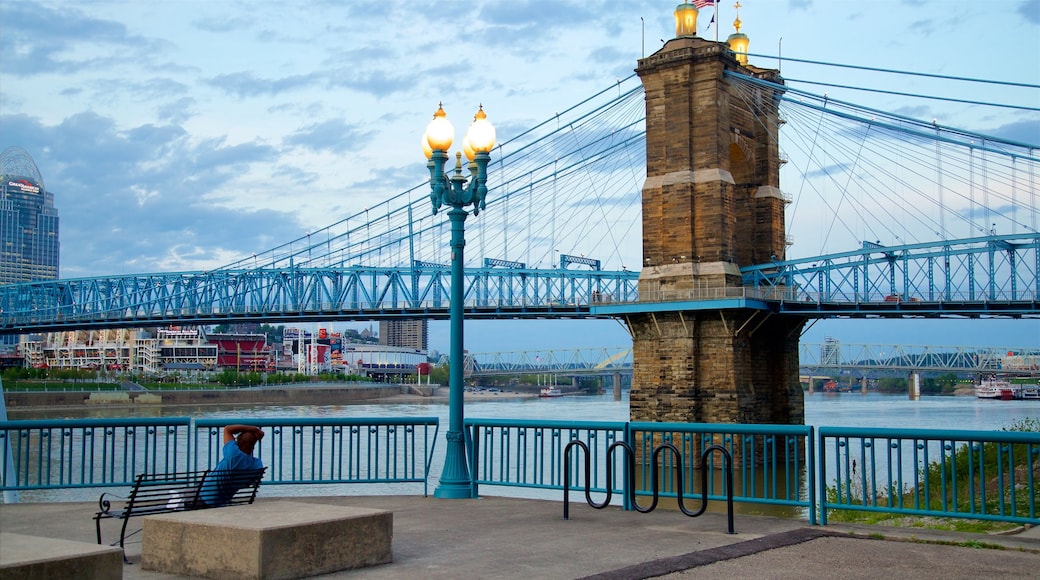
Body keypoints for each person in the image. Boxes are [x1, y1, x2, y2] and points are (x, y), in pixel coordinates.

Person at [197, 424, 265, 507]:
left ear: (238, 442)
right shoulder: (257, 465)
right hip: (222, 503)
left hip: (203, 499)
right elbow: (248, 484)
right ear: (253, 446)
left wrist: (254, 429)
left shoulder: (233, 454)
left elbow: (227, 429)